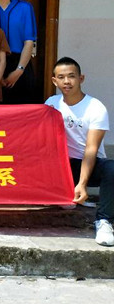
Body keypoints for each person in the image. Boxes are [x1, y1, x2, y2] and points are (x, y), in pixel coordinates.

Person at [45, 57, 113, 246]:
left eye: (71, 76)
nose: (67, 81)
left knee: (111, 168)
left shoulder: (95, 107)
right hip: (61, 166)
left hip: (87, 165)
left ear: (81, 78)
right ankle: (59, 194)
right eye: (61, 77)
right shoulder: (51, 103)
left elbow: (91, 149)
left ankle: (104, 221)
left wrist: (82, 184)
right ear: (54, 81)